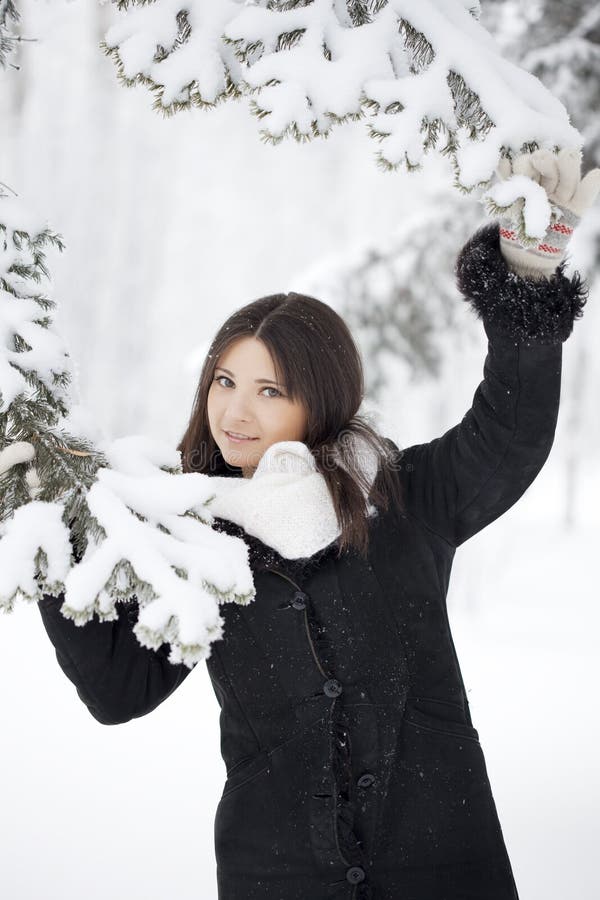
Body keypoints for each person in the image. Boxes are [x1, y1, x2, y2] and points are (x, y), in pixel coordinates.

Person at [3, 149, 598, 900]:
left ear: (320, 398)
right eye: (223, 381)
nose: (235, 411)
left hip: (442, 867)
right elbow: (121, 689)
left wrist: (526, 284)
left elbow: (510, 435)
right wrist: (46, 527)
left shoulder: (401, 500)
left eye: (268, 389)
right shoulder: (195, 536)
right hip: (277, 877)